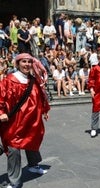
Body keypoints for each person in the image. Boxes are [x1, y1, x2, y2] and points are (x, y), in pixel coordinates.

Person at [0, 53, 50, 188]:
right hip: (14, 122)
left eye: (29, 62)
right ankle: (14, 181)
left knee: (32, 141)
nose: (27, 64)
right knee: (14, 150)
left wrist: (45, 110)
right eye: (23, 62)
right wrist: (1, 113)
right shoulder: (9, 81)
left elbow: (40, 96)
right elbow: (1, 98)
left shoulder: (33, 80)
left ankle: (34, 165)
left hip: (31, 120)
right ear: (17, 64)